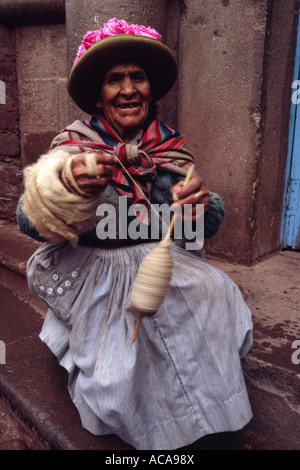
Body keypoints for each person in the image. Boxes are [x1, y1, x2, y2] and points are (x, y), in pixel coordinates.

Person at [17, 18, 253, 450]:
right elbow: (29, 220)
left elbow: (204, 227)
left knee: (215, 293)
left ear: (151, 88)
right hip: (93, 269)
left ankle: (204, 412)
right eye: (114, 80)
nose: (128, 90)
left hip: (159, 260)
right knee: (118, 368)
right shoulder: (72, 148)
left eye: (137, 78)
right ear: (97, 93)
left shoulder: (170, 150)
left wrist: (198, 205)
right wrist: (69, 186)